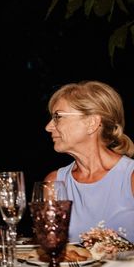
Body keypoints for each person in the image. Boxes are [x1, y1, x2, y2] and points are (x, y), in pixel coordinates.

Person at [43, 80, 134, 243]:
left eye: (58, 117)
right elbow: (51, 248)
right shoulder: (55, 183)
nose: (49, 127)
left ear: (91, 123)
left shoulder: (131, 177)